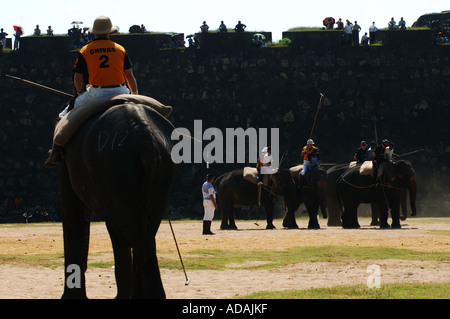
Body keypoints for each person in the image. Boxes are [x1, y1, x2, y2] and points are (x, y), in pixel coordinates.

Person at [44, 16, 138, 168]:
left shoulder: (85, 50)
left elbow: (78, 77)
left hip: (96, 93)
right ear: (109, 32)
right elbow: (129, 77)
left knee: (62, 116)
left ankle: (55, 152)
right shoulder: (120, 49)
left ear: (94, 33)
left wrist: (80, 92)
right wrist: (134, 96)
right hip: (121, 91)